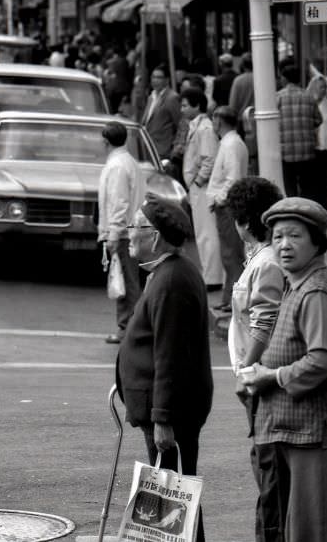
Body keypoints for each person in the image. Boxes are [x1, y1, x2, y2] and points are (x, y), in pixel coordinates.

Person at [241, 197, 327, 542]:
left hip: (319, 435)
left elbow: (323, 359)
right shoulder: (298, 283)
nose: (284, 245)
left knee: (316, 532)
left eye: (294, 236)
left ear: (316, 243)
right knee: (301, 530)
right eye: (278, 237)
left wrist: (270, 376)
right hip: (302, 432)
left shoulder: (316, 291)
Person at [116, 195, 213, 542]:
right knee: (177, 500)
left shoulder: (171, 280)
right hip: (169, 408)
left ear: (154, 236)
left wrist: (162, 418)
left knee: (175, 499)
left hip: (173, 412)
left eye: (134, 226)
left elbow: (170, 355)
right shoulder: (167, 272)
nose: (128, 233)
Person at [225, 176, 285, 542]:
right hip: (256, 376)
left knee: (269, 470)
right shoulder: (260, 258)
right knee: (265, 467)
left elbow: (264, 323)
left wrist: (246, 371)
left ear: (245, 221)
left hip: (260, 378)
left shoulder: (267, 263)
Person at [97, 121, 146, 344]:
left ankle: (129, 327)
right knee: (127, 279)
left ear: (106, 142)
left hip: (124, 232)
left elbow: (119, 203)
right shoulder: (128, 162)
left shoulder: (117, 166)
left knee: (126, 282)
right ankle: (130, 325)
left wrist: (113, 234)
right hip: (129, 229)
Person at [181, 86, 223, 290]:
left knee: (207, 234)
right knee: (203, 233)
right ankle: (210, 274)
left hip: (202, 187)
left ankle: (213, 277)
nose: (182, 109)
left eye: (185, 105)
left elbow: (209, 159)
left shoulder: (204, 129)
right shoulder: (197, 126)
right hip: (197, 186)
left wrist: (198, 181)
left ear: (197, 106)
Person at [207, 106, 248, 311]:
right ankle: (228, 296)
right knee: (229, 253)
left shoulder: (230, 144)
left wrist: (219, 199)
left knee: (231, 254)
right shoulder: (231, 142)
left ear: (219, 122)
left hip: (227, 206)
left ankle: (234, 298)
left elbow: (232, 178)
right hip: (227, 204)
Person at [276, 65, 322, 199]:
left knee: (289, 188)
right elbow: (318, 120)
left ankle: (293, 208)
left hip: (285, 152)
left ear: (285, 79)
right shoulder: (309, 97)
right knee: (307, 188)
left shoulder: (277, 97)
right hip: (307, 151)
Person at [140, 65, 182, 162]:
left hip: (163, 151)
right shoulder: (151, 97)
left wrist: (175, 149)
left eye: (159, 77)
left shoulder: (172, 98)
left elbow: (180, 124)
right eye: (153, 77)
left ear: (167, 80)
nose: (155, 80)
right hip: (148, 148)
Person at [307, 75, 327, 209]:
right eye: (321, 87)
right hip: (311, 147)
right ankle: (314, 205)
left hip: (325, 147)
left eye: (325, 87)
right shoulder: (308, 102)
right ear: (314, 88)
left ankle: (324, 206)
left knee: (324, 179)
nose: (324, 90)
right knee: (312, 179)